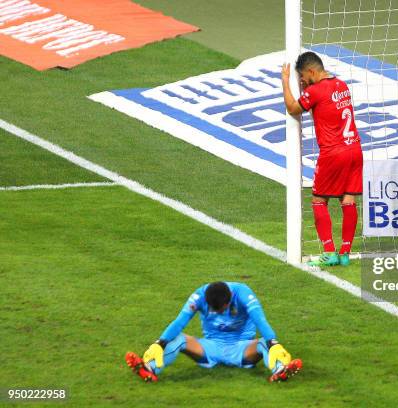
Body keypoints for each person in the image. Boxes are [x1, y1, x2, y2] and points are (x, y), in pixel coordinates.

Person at [125, 281, 302, 383]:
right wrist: (159, 343)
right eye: (213, 309)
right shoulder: (199, 296)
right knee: (178, 338)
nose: (217, 312)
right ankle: (149, 368)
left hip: (242, 348)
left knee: (265, 342)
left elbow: (260, 321)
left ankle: (280, 370)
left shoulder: (243, 294)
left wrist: (274, 343)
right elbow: (179, 322)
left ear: (229, 300)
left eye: (221, 309)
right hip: (210, 348)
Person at [281, 51, 363, 267]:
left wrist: (285, 82)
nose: (303, 82)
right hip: (354, 148)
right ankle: (345, 253)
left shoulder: (316, 91)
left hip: (333, 153)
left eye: (304, 77)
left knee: (318, 201)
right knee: (348, 200)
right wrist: (307, 87)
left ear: (311, 71)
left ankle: (329, 251)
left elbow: (292, 108)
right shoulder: (342, 85)